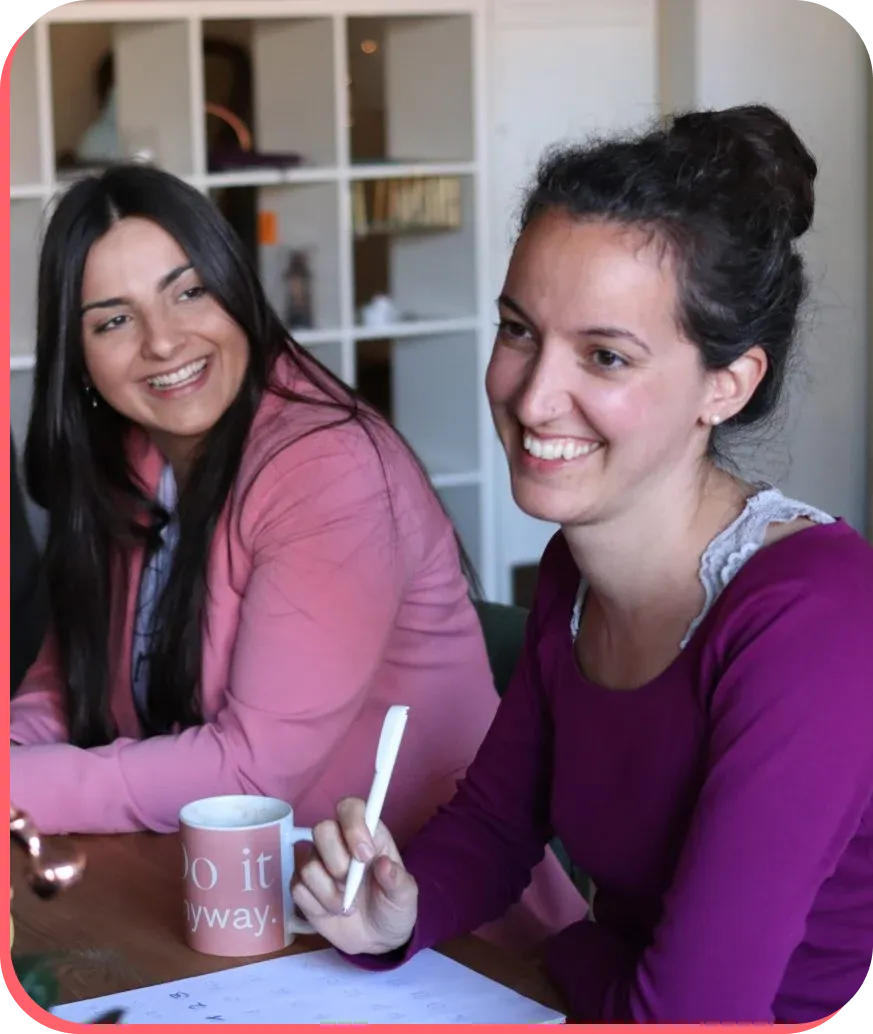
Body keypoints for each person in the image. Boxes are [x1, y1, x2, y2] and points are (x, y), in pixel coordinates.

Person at [289, 105, 873, 1024]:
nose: (532, 398)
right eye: (519, 331)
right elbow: (496, 824)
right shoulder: (574, 566)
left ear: (726, 385)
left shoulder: (813, 620)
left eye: (604, 356)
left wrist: (576, 955)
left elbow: (695, 1015)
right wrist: (395, 913)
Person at [9, 162, 585, 953]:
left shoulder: (327, 466)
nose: (163, 340)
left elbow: (250, 773)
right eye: (113, 321)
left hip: (428, 930)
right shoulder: (132, 457)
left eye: (189, 292)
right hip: (236, 910)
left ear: (236, 290)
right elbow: (65, 678)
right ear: (77, 356)